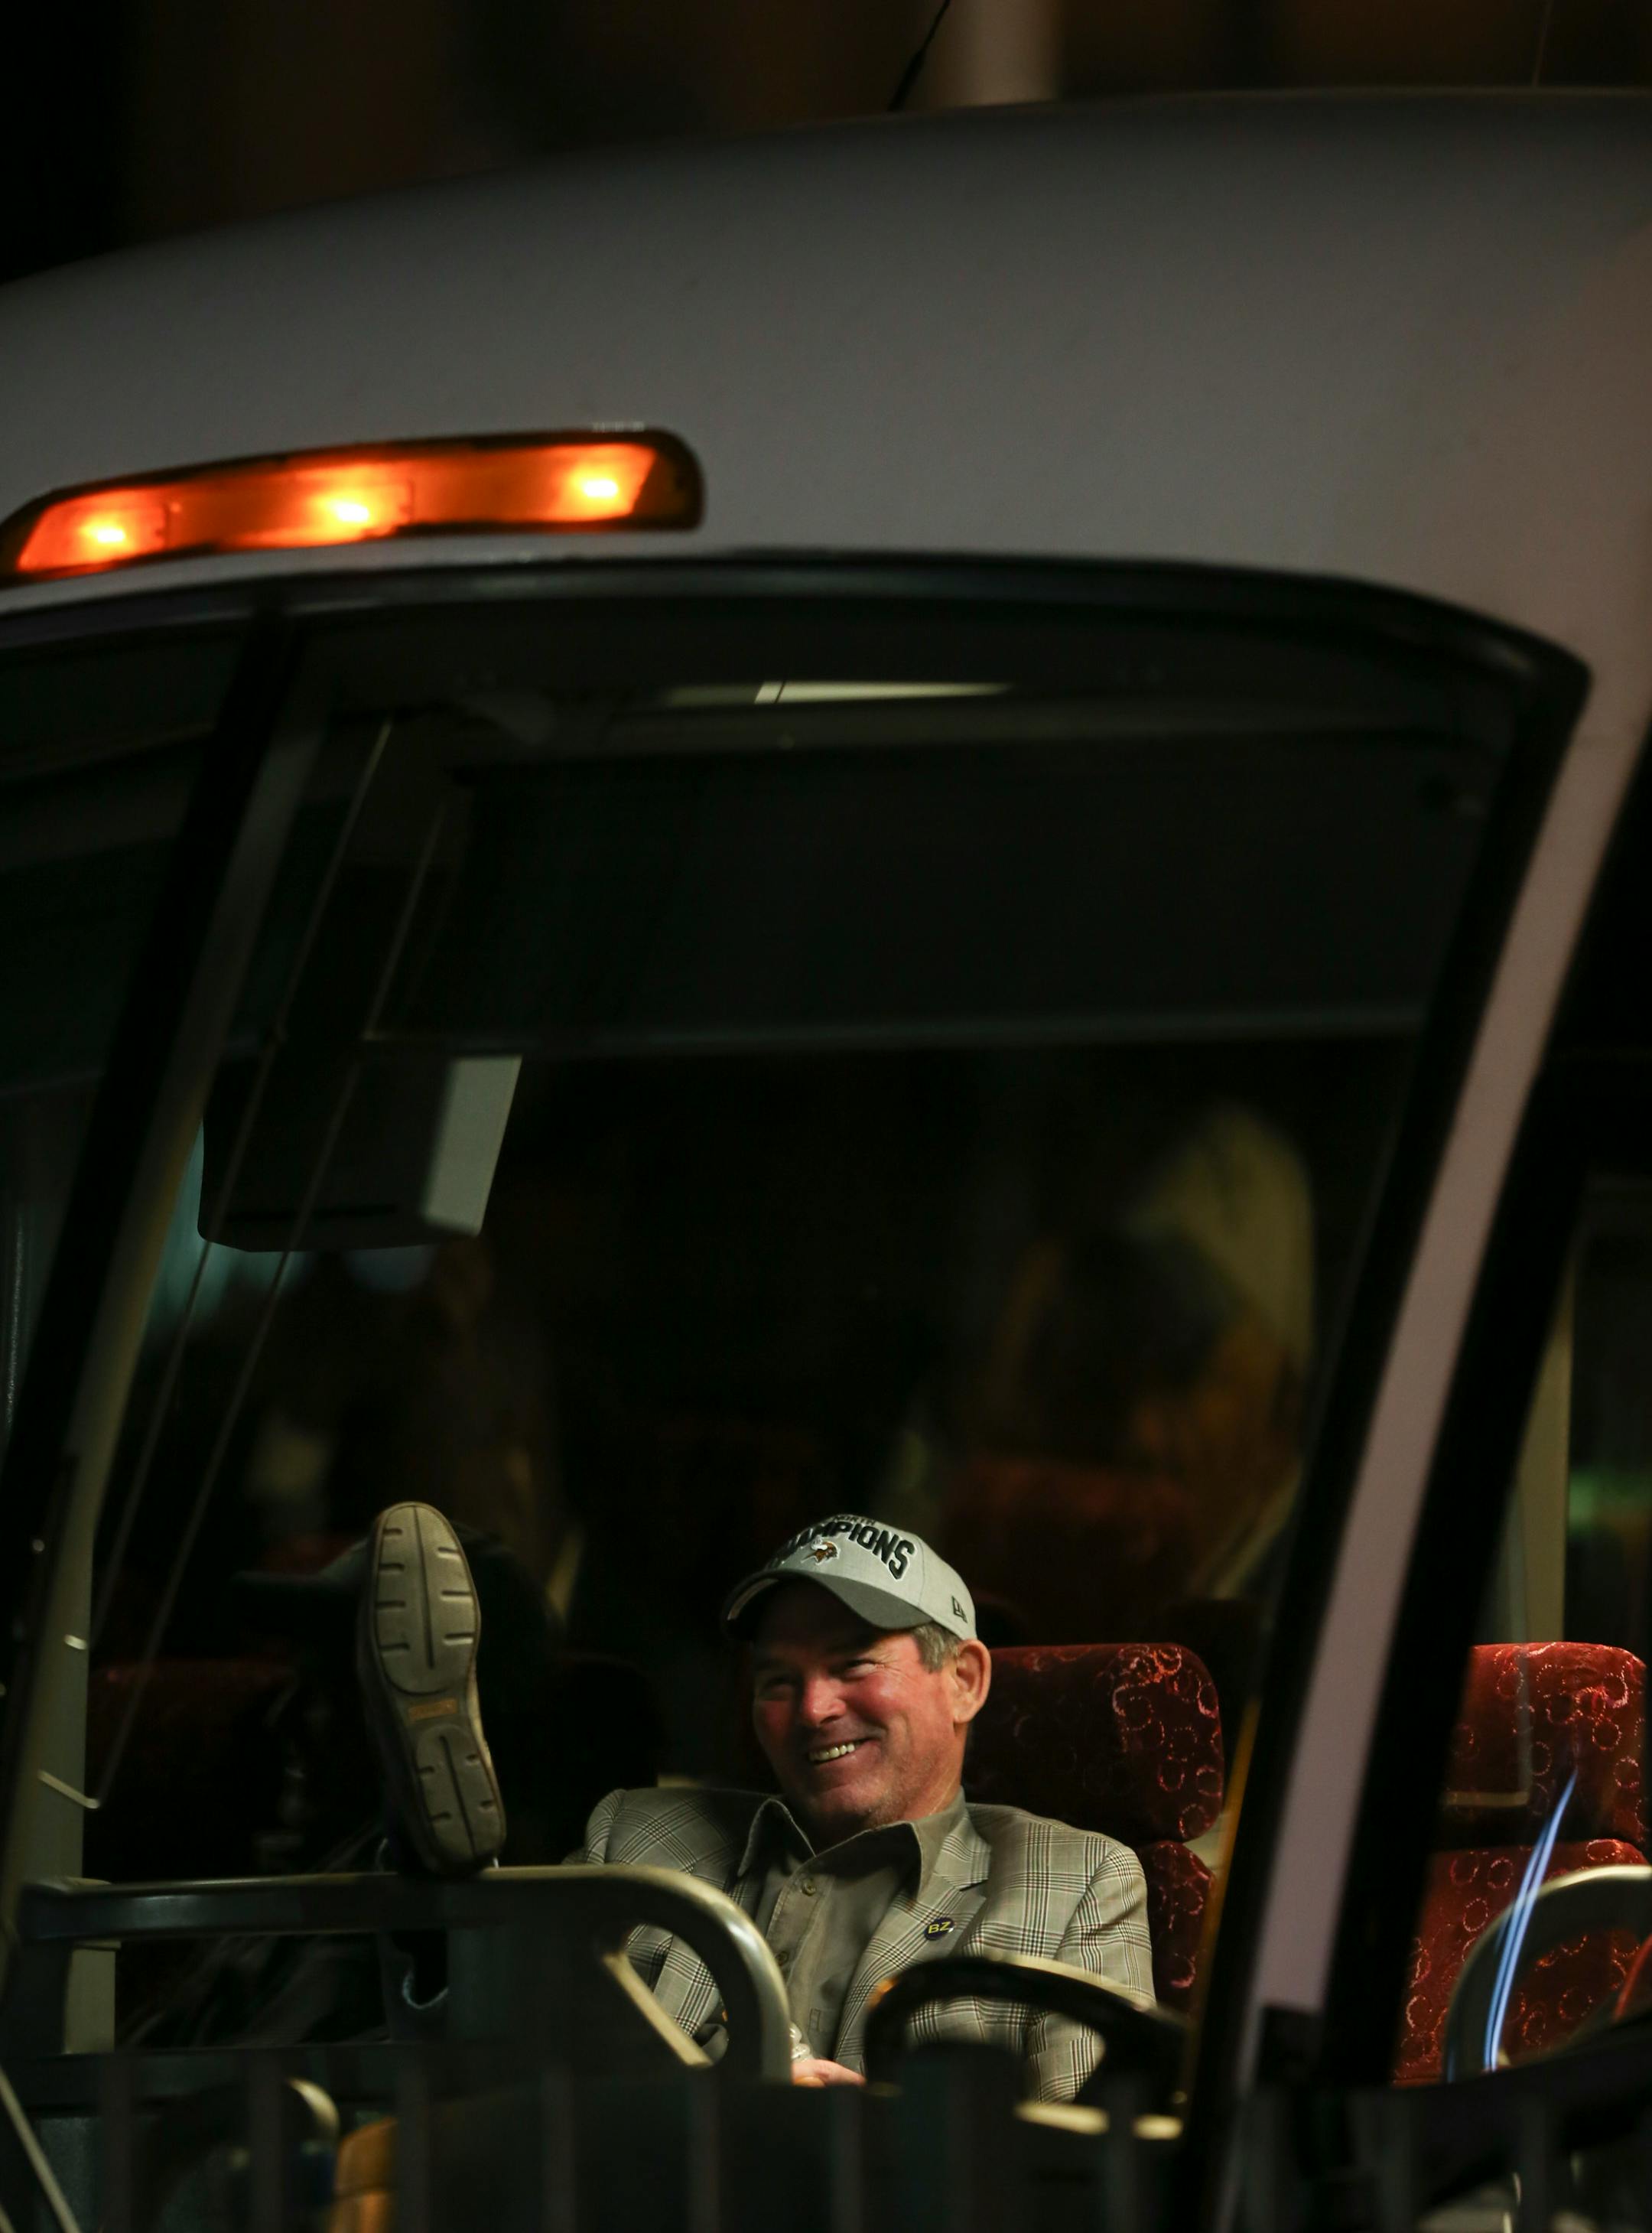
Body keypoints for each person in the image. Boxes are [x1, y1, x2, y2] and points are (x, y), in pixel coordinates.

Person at [357, 1502, 1153, 2100]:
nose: (812, 1710)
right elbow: (490, 2063)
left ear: (965, 1680)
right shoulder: (637, 1835)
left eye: (852, 1665)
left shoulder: (1075, 1883)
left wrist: (857, 2141)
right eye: (779, 1680)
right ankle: (440, 1864)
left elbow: (1074, 2182)